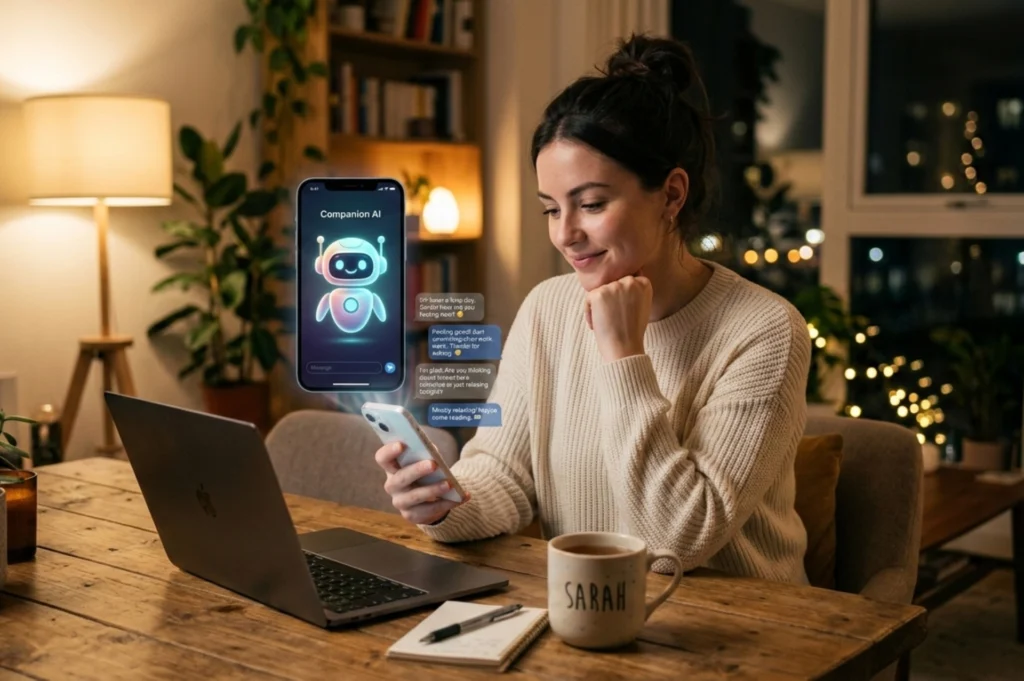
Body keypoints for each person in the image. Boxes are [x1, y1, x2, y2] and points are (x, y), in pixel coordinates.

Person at [375, 34, 811, 584]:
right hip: (590, 612)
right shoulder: (547, 309)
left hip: (752, 632)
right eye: (551, 210)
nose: (566, 235)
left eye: (592, 204)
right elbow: (504, 474)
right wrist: (445, 502)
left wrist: (622, 353)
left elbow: (678, 541)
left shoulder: (765, 330)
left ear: (672, 195)